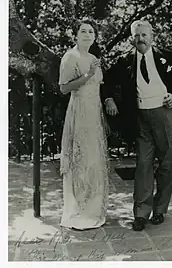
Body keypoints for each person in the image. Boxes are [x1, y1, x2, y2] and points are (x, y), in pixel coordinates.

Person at [103, 20, 172, 231]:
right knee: (143, 165)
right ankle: (141, 213)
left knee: (168, 164)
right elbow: (104, 80)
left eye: (144, 35)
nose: (140, 39)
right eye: (137, 35)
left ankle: (159, 210)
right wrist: (108, 99)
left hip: (166, 115)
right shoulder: (125, 61)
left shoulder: (167, 57)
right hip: (140, 118)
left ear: (152, 36)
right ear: (131, 39)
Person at [59, 19, 109, 230]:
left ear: (95, 36)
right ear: (76, 35)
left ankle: (93, 209)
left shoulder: (94, 57)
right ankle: (78, 210)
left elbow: (98, 90)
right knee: (80, 160)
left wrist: (103, 117)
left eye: (91, 31)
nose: (87, 34)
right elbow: (63, 88)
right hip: (79, 112)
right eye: (83, 31)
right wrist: (87, 75)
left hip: (94, 114)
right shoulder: (71, 57)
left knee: (93, 160)